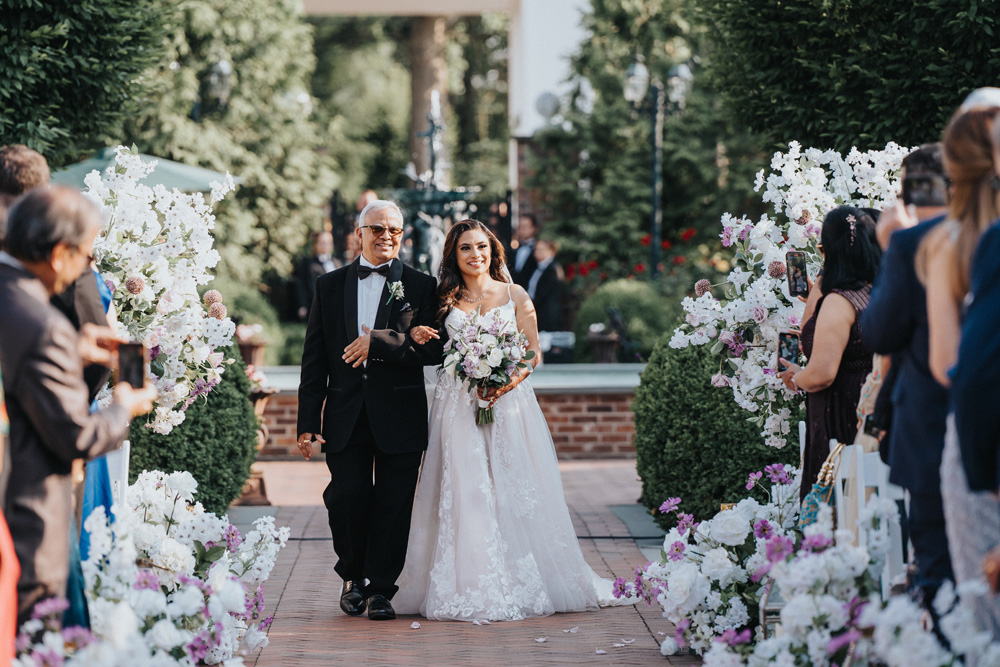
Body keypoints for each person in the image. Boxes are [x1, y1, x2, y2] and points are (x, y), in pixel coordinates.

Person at [395, 220, 628, 621]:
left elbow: (532, 352)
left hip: (508, 407)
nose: (475, 255)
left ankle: (523, 575)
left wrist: (501, 385)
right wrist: (415, 332)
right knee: (465, 489)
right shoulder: (442, 300)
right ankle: (470, 579)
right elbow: (428, 344)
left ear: (493, 250)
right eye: (465, 248)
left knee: (512, 486)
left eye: (481, 246)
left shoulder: (515, 294)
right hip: (457, 407)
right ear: (454, 254)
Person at [0, 186, 156, 624]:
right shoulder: (42, 324)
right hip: (25, 513)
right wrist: (124, 406)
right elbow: (76, 435)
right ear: (58, 254)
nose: (85, 270)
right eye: (86, 258)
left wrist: (73, 345)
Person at [295, 200, 443, 622]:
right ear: (358, 234)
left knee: (395, 505)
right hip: (344, 415)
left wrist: (379, 341)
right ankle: (351, 577)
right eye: (377, 229)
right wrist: (308, 421)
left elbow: (432, 348)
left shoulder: (420, 285)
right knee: (346, 498)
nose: (386, 237)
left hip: (400, 414)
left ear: (402, 235)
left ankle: (381, 590)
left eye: (394, 230)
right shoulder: (329, 285)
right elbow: (314, 360)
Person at [916, 105, 1000, 636]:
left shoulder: (946, 245)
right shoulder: (959, 245)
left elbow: (947, 365)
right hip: (981, 446)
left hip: (971, 444)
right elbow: (957, 370)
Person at [861, 143, 953, 615]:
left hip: (930, 422)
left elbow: (878, 330)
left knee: (938, 568)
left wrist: (890, 245)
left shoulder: (911, 243)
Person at [777, 205, 881, 500]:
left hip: (842, 408)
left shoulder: (840, 301)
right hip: (866, 403)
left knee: (837, 503)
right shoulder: (875, 290)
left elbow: (821, 374)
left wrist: (798, 377)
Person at [295, 230, 341, 321]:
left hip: (337, 307)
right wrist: (302, 305)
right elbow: (303, 285)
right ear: (316, 244)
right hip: (317, 306)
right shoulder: (309, 264)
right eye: (322, 243)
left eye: (328, 243)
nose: (326, 245)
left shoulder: (337, 263)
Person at [526, 237, 562, 332]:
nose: (538, 252)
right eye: (536, 249)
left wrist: (528, 306)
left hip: (546, 314)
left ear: (551, 251)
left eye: (542, 249)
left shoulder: (552, 269)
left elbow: (543, 293)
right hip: (537, 311)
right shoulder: (536, 267)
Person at [509, 212, 539, 287]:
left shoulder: (538, 248)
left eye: (525, 226)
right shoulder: (513, 249)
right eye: (520, 227)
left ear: (533, 228)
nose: (522, 230)